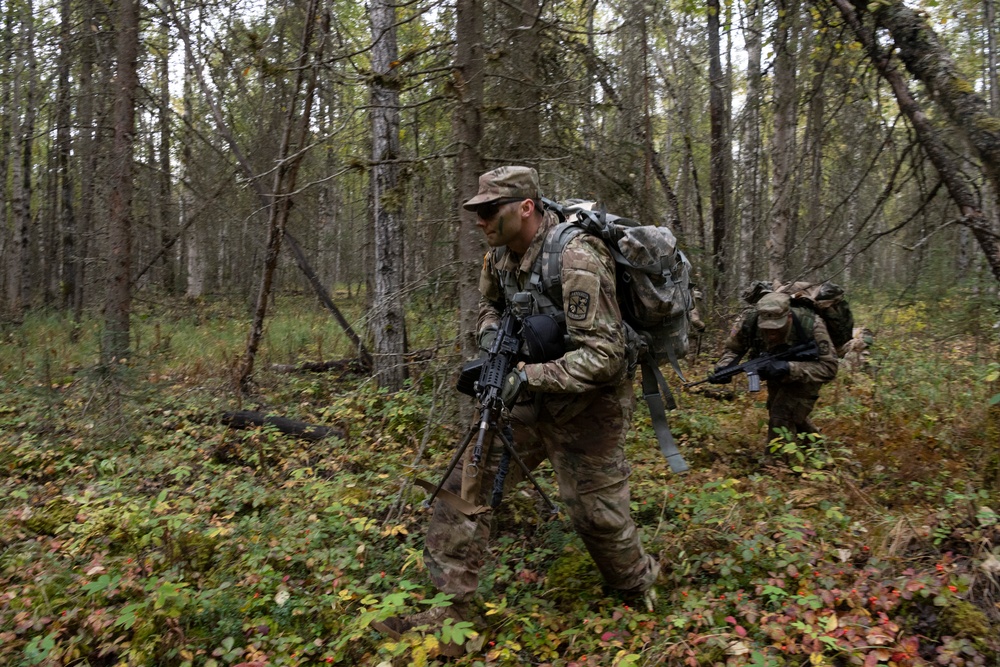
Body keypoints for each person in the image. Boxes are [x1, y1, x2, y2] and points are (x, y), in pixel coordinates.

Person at [380, 166, 659, 644]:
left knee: (597, 517)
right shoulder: (499, 257)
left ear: (525, 208)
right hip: (522, 400)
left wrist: (528, 374)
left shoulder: (576, 258)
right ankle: (453, 619)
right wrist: (492, 336)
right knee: (460, 492)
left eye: (491, 211)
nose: (480, 221)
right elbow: (491, 307)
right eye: (477, 212)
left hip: (587, 410)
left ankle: (637, 587)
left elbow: (606, 357)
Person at [711, 291, 839, 446]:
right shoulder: (748, 321)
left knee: (781, 414)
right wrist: (725, 367)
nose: (771, 333)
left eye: (777, 327)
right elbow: (733, 348)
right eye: (766, 328)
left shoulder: (812, 324)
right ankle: (817, 447)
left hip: (806, 373)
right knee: (785, 411)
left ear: (789, 317)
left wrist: (789, 368)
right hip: (773, 371)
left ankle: (775, 463)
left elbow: (829, 368)